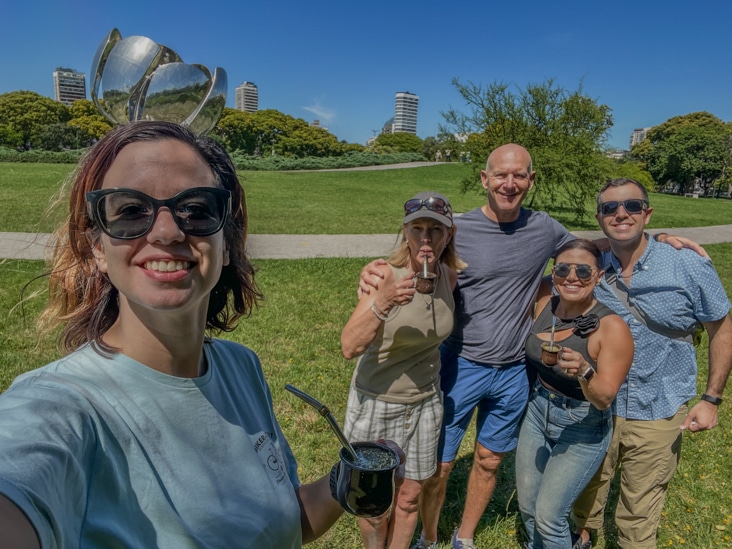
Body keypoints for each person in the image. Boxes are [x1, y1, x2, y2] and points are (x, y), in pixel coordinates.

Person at [0, 120, 402, 548]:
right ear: (98, 247)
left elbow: (284, 522)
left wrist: (347, 479)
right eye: (130, 210)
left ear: (226, 243)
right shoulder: (60, 407)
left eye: (196, 208)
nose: (168, 232)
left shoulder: (239, 366)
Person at [359, 145, 702, 549]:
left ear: (531, 180)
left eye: (519, 175)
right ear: (485, 180)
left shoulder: (545, 229)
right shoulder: (458, 228)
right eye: (500, 175)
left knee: (489, 461)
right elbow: (416, 251)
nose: (509, 183)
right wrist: (376, 269)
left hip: (514, 371)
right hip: (460, 364)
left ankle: (464, 538)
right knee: (439, 466)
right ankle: (430, 538)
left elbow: (591, 250)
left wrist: (655, 238)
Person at [571, 178, 732, 549]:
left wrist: (711, 399)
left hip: (658, 403)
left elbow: (722, 329)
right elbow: (561, 256)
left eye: (632, 206)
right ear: (599, 217)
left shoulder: (686, 265)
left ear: (648, 212)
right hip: (597, 400)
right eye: (610, 208)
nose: (621, 214)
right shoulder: (591, 267)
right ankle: (582, 533)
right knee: (588, 483)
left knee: (640, 505)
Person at [341, 192, 465, 549]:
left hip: (426, 402)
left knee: (410, 497)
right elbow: (349, 347)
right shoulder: (383, 275)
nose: (426, 239)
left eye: (435, 230)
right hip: (378, 400)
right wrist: (384, 301)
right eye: (417, 229)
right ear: (405, 232)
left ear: (449, 234)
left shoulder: (448, 276)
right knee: (374, 504)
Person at [516, 239, 634, 549]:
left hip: (583, 423)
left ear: (598, 276)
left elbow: (605, 397)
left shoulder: (612, 328)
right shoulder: (545, 301)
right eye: (563, 269)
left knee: (549, 517)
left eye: (583, 270)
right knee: (529, 510)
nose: (572, 276)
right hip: (537, 410)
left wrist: (584, 371)